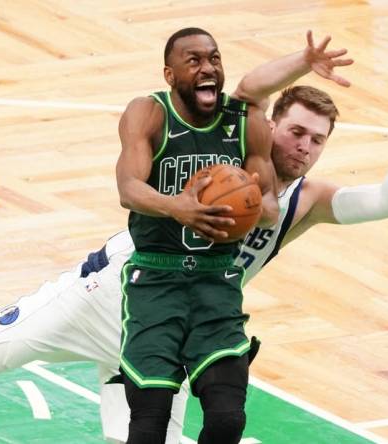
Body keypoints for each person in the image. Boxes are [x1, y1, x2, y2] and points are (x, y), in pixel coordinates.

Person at [0, 31, 388, 443]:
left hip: (178, 326)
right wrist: (303, 60)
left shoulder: (309, 201)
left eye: (317, 140)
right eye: (297, 130)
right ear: (270, 124)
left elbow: (386, 202)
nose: (305, 145)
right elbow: (249, 85)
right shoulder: (231, 129)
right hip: (110, 294)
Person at [114, 27, 281, 444]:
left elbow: (272, 207)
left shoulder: (248, 122)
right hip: (155, 281)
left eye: (214, 59)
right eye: (194, 61)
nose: (208, 68)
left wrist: (246, 207)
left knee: (227, 420)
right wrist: (178, 208)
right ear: (170, 75)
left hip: (217, 281)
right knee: (148, 426)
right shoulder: (148, 113)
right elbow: (128, 189)